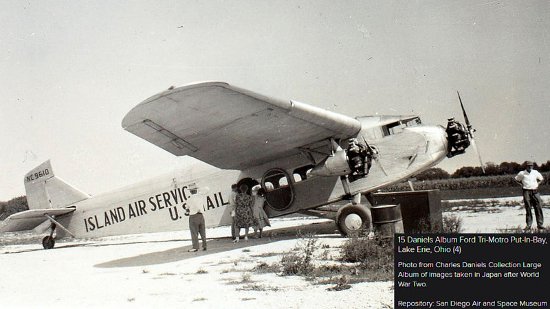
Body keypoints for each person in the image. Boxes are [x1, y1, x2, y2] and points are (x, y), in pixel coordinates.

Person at [515, 162, 544, 231]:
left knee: (538, 207)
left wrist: (537, 184)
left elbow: (541, 179)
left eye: (531, 166)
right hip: (526, 191)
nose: (530, 167)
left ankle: (540, 224)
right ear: (526, 166)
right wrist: (521, 185)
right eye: (528, 166)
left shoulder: (535, 172)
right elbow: (516, 179)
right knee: (528, 208)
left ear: (533, 166)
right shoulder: (522, 173)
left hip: (535, 191)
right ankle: (528, 225)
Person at [185, 184, 207, 251]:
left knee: (194, 232)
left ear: (190, 191)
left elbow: (187, 209)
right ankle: (204, 245)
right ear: (196, 190)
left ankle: (195, 247)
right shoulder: (200, 197)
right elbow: (207, 189)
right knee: (202, 232)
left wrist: (187, 212)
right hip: (201, 215)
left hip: (193, 216)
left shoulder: (189, 199)